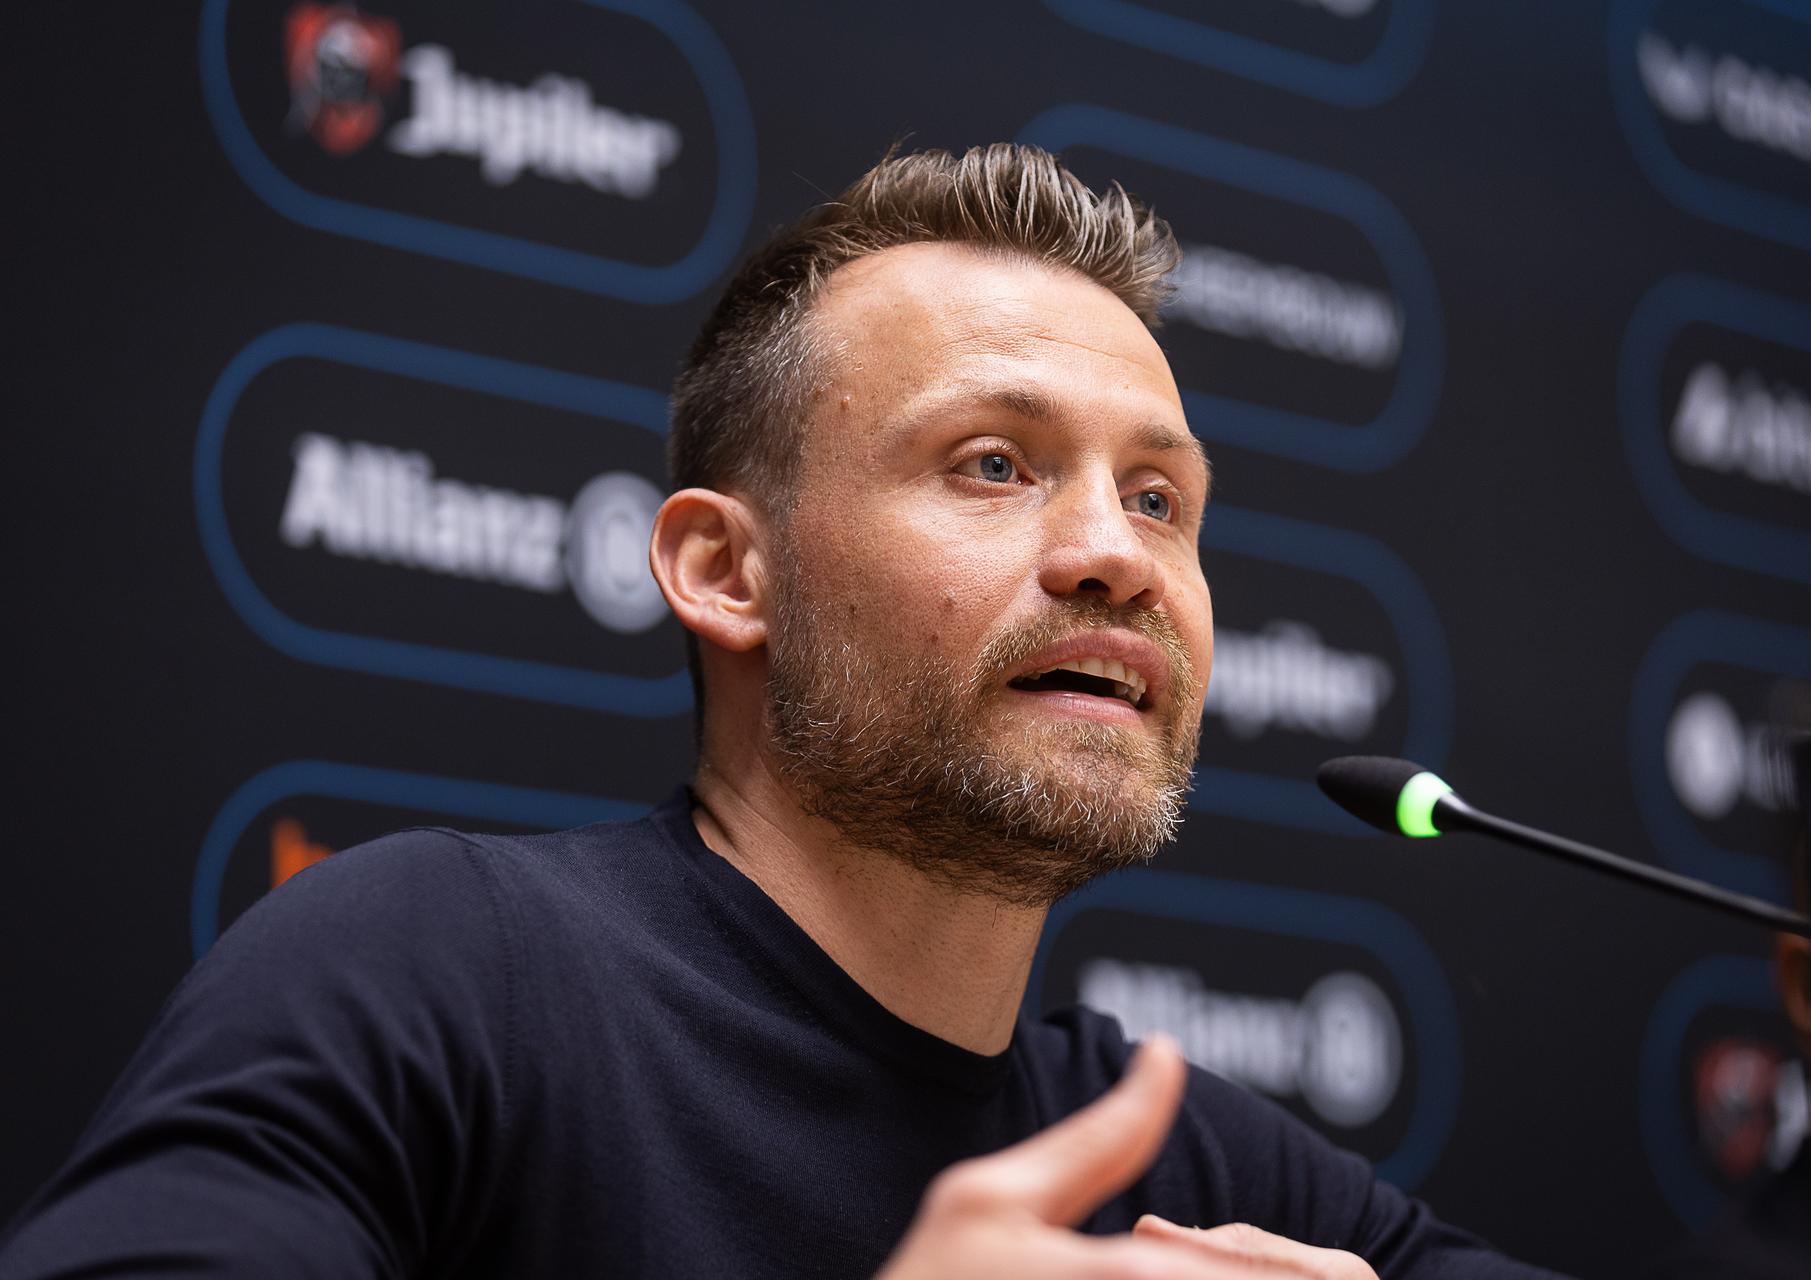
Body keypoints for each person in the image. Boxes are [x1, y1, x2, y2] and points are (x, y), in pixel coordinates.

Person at [0, 144, 1566, 1278]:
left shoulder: (1187, 1157)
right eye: (995, 465)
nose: (1114, 556)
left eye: (1162, 498)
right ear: (724, 571)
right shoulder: (434, 970)